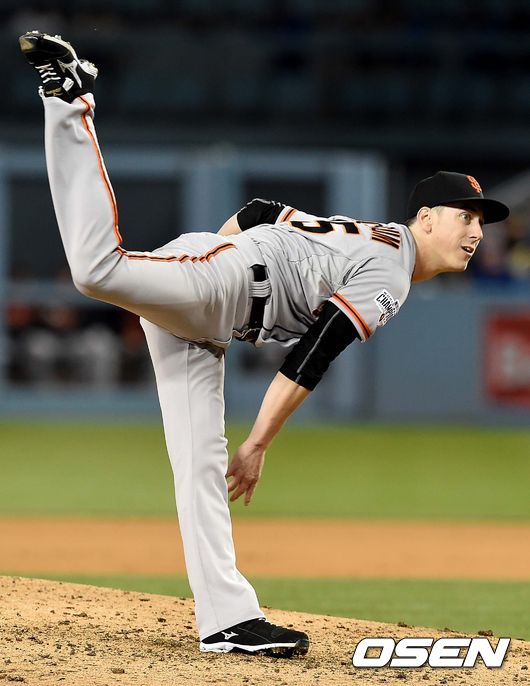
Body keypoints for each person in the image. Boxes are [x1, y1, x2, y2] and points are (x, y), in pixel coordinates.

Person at [19, 31, 509, 657]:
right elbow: (313, 354)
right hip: (220, 283)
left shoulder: (376, 241)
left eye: (481, 221)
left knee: (198, 464)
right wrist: (256, 441)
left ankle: (227, 619)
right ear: (427, 218)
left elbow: (258, 212)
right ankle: (70, 99)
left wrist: (228, 267)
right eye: (466, 216)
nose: (476, 231)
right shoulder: (392, 267)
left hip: (215, 309)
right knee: (96, 271)